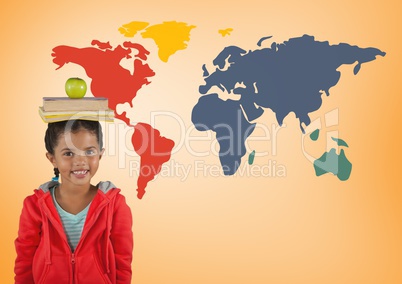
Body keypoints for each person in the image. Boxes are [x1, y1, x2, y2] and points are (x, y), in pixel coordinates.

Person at [14, 119, 133, 283]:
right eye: (68, 153)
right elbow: (24, 260)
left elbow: (123, 261)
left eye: (89, 152)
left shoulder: (115, 205)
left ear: (100, 154)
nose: (80, 161)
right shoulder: (34, 205)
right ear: (52, 159)